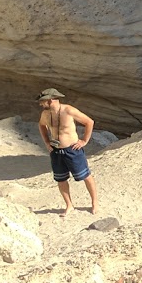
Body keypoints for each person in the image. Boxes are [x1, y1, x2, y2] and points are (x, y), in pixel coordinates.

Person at [37, 88, 99, 217]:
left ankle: (94, 203)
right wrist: (47, 142)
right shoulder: (45, 114)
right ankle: (69, 205)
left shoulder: (69, 110)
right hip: (55, 151)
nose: (41, 104)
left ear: (51, 100)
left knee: (85, 176)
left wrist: (84, 141)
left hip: (72, 150)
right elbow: (41, 126)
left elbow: (89, 122)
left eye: (43, 101)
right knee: (61, 179)